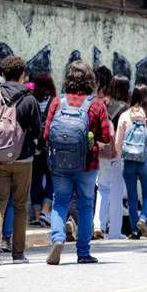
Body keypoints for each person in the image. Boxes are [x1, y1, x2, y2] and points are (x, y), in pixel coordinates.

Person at [44, 61, 112, 265]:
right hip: (87, 164)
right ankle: (83, 252)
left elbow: (47, 133)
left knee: (60, 201)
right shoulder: (96, 104)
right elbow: (107, 136)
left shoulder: (58, 102)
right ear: (91, 80)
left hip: (60, 164)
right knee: (85, 205)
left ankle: (57, 239)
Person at [0, 55, 41, 265]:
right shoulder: (30, 99)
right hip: (23, 158)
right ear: (22, 74)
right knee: (19, 205)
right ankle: (18, 254)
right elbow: (38, 131)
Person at [116, 84, 147, 239]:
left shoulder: (125, 116)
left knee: (132, 197)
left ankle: (134, 231)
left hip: (128, 160)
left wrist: (123, 153)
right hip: (145, 160)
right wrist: (146, 148)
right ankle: (143, 219)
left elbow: (118, 142)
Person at [93, 75, 129, 240]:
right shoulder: (124, 108)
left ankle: (98, 224)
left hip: (101, 150)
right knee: (116, 191)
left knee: (102, 188)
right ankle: (114, 230)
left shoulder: (103, 105)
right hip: (116, 153)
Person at [31, 73, 56, 226]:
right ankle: (46, 210)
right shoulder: (54, 102)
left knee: (35, 180)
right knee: (51, 179)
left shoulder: (31, 100)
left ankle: (35, 213)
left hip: (34, 147)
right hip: (49, 146)